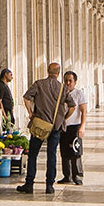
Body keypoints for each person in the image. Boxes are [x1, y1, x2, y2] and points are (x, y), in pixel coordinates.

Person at [17, 63, 75, 195]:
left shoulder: (39, 84)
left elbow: (26, 98)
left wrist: (30, 113)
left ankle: (29, 184)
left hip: (40, 125)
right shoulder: (62, 88)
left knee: (33, 154)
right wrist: (64, 118)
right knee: (52, 154)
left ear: (48, 71)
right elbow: (72, 106)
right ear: (58, 74)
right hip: (55, 126)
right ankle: (49, 185)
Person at [58, 69, 87, 185]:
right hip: (63, 126)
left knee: (76, 150)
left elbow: (84, 111)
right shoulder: (61, 94)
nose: (68, 83)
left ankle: (77, 175)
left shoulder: (79, 94)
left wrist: (82, 126)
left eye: (70, 80)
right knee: (64, 151)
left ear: (75, 82)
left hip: (75, 126)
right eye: (66, 81)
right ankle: (67, 175)